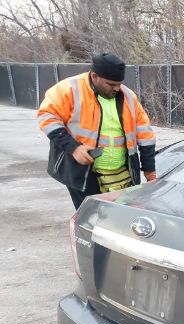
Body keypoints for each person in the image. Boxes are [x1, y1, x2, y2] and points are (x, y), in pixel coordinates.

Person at [36, 53, 157, 209]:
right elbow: (47, 117)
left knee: (124, 216)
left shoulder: (128, 96)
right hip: (83, 171)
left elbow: (145, 135)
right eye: (111, 84)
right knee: (93, 217)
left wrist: (150, 172)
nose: (116, 88)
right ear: (94, 76)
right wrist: (74, 147)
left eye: (119, 84)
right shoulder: (69, 89)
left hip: (121, 171)